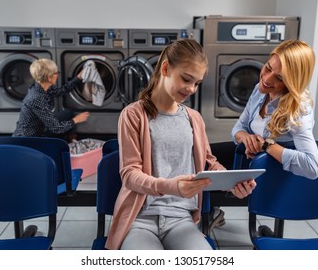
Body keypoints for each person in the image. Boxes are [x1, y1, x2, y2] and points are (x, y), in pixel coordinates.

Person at [106, 39, 256, 250]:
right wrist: (172, 186)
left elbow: (208, 162)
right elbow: (130, 174)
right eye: (186, 79)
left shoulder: (194, 118)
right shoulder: (133, 115)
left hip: (181, 219)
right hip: (140, 220)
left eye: (197, 83)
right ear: (166, 68)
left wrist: (233, 183)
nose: (192, 89)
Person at [231, 39, 318, 180]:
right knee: (203, 156)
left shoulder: (298, 112)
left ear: (291, 83)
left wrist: (266, 146)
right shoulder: (260, 91)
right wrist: (248, 139)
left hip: (273, 177)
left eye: (279, 78)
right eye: (268, 68)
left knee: (206, 166)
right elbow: (238, 128)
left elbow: (312, 167)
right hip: (250, 160)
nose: (266, 79)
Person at [13, 58, 89, 139]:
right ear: (49, 78)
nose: (58, 74)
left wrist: (78, 77)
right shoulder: (36, 98)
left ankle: (72, 140)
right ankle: (69, 144)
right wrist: (76, 120)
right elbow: (56, 128)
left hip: (42, 127)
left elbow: (62, 90)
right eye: (57, 73)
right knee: (68, 122)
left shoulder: (41, 86)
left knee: (68, 113)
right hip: (30, 139)